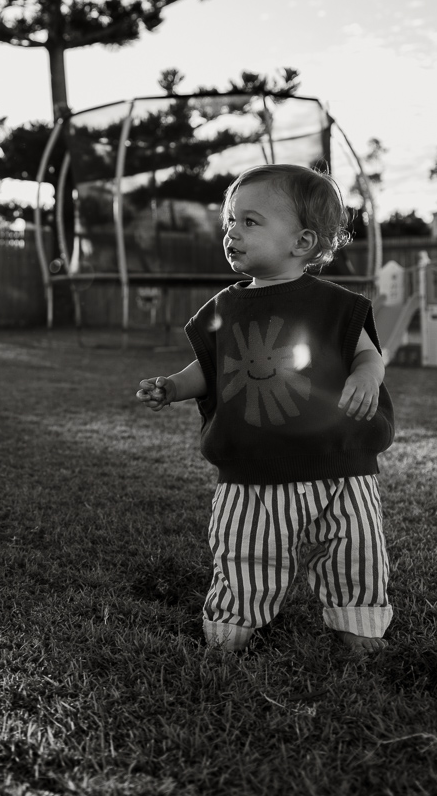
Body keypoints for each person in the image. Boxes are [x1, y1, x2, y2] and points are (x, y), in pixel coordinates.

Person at [137, 163, 395, 656]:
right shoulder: (223, 309)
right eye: (230, 221)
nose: (233, 231)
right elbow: (212, 366)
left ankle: (359, 626)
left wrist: (366, 375)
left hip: (340, 464)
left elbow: (367, 353)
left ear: (301, 242)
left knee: (354, 551)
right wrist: (174, 386)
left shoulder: (336, 305)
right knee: (246, 551)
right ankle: (233, 623)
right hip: (253, 469)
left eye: (250, 222)